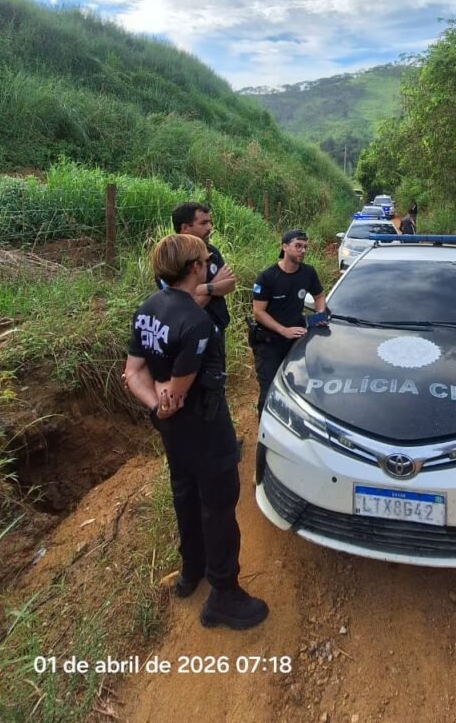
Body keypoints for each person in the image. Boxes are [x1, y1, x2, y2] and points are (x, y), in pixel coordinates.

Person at [124, 234, 268, 630]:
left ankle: (192, 570)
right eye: (205, 260)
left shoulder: (147, 308)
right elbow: (178, 392)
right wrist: (165, 401)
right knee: (219, 503)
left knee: (184, 491)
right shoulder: (197, 323)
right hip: (204, 425)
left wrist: (155, 407)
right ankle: (224, 594)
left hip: (171, 429)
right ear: (194, 268)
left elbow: (132, 372)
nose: (209, 264)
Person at [251, 229, 327, 418]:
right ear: (284, 247)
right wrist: (283, 330)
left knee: (300, 385)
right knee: (270, 390)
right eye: (298, 246)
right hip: (269, 342)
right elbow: (258, 312)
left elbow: (319, 296)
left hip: (297, 339)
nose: (303, 251)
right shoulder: (267, 277)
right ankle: (266, 426)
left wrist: (320, 314)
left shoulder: (308, 273)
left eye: (305, 247)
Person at [163, 203, 236, 360]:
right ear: (185, 228)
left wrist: (204, 288)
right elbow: (187, 306)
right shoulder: (171, 259)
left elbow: (230, 284)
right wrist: (216, 284)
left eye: (209, 222)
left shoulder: (212, 252)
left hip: (217, 331)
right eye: (203, 223)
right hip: (189, 334)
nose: (209, 227)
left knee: (216, 374)